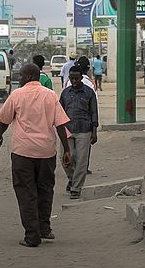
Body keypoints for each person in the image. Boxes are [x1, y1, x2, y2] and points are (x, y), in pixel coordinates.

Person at [0, 64, 72, 248]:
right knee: (45, 190)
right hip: (46, 152)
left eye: (21, 75)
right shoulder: (50, 95)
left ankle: (32, 236)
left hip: (23, 152)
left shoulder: (17, 95)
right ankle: (44, 228)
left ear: (29, 76)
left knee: (26, 192)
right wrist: (67, 149)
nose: (19, 78)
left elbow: (5, 120)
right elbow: (60, 125)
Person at [59, 64, 99, 199]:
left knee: (82, 161)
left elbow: (94, 112)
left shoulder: (89, 92)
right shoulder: (65, 93)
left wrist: (94, 131)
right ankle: (72, 179)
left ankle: (76, 188)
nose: (74, 81)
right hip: (68, 130)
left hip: (84, 130)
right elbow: (59, 112)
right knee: (64, 159)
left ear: (81, 77)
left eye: (76, 78)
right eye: (72, 79)